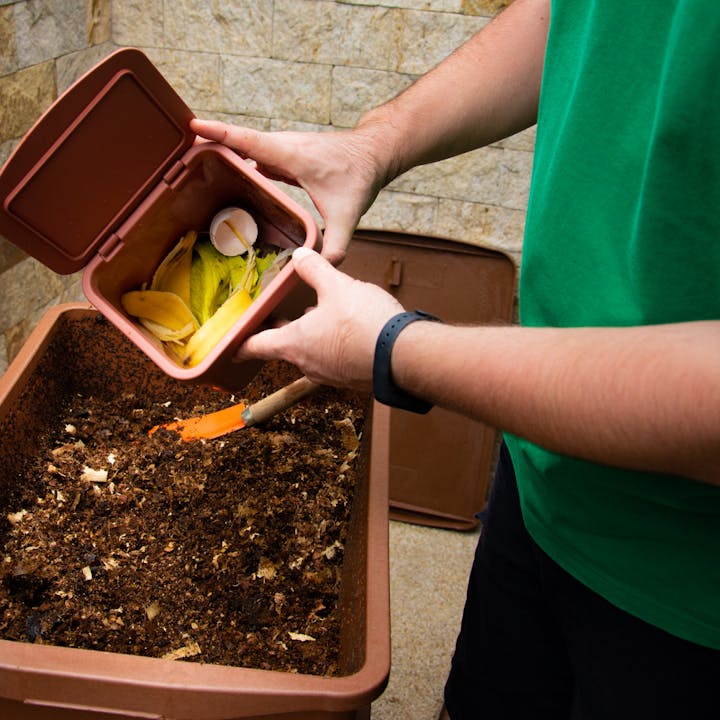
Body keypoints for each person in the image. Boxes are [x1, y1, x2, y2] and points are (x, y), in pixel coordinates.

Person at [191, 0, 720, 716]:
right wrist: (374, 143)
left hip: (688, 597)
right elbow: (581, 19)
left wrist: (397, 349)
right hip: (543, 475)